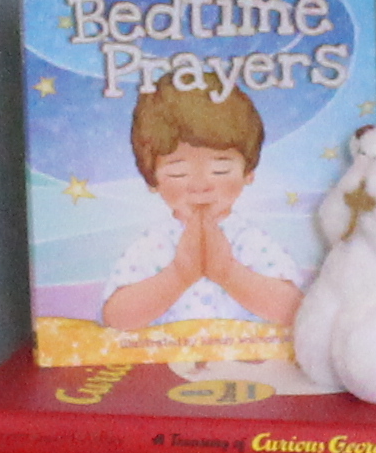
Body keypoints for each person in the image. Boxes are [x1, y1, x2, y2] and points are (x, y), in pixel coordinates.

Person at [98, 75, 309, 332]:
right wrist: (179, 274)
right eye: (178, 173)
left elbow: (294, 310)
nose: (200, 185)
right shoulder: (153, 244)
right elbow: (116, 317)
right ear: (152, 181)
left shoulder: (251, 240)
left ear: (248, 173)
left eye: (220, 169)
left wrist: (228, 272)